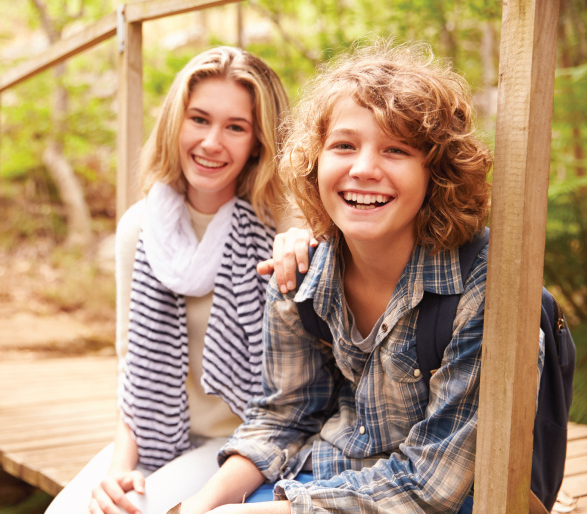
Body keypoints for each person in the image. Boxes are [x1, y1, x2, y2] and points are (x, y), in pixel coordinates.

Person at [178, 40, 542, 513]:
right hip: (328, 480)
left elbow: (432, 486)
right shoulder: (301, 275)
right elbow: (282, 420)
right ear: (314, 162)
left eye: (396, 150)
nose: (364, 169)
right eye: (344, 146)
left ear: (437, 172)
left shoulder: (482, 284)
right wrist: (199, 507)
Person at [45, 46, 296, 514]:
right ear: (175, 122)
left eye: (235, 127)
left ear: (258, 141)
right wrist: (121, 467)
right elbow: (130, 368)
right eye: (198, 119)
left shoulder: (285, 229)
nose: (211, 142)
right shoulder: (140, 229)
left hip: (245, 440)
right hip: (157, 434)